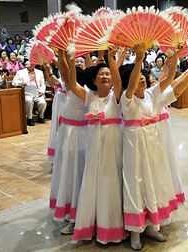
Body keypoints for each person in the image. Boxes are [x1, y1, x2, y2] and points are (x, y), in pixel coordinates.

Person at [120, 43, 188, 251]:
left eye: (142, 76)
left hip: (153, 146)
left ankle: (152, 226)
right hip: (135, 147)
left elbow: (168, 78)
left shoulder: (151, 94)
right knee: (136, 185)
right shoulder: (126, 100)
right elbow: (130, 87)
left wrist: (174, 56)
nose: (141, 79)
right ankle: (135, 231)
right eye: (136, 76)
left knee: (154, 182)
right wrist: (138, 59)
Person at [70, 45, 126, 244]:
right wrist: (68, 58)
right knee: (93, 180)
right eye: (101, 74)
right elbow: (71, 83)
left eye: (108, 74)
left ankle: (111, 226)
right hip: (94, 147)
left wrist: (111, 59)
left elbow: (119, 82)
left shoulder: (117, 97)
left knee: (111, 181)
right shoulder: (90, 96)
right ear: (94, 80)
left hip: (113, 145)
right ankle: (91, 223)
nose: (105, 77)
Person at [48, 51, 89, 236]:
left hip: (76, 139)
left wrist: (65, 53)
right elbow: (63, 72)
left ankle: (75, 218)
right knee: (71, 175)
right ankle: (73, 213)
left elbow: (64, 71)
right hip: (70, 136)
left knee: (74, 177)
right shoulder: (81, 90)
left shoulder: (79, 91)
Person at [12, 62, 47, 126]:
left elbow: (43, 84)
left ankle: (41, 116)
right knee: (28, 101)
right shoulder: (20, 72)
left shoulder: (39, 72)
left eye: (33, 65)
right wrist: (21, 83)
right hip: (27, 92)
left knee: (42, 102)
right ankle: (29, 118)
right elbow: (14, 83)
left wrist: (42, 91)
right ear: (26, 66)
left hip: (37, 91)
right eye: (31, 65)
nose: (33, 66)